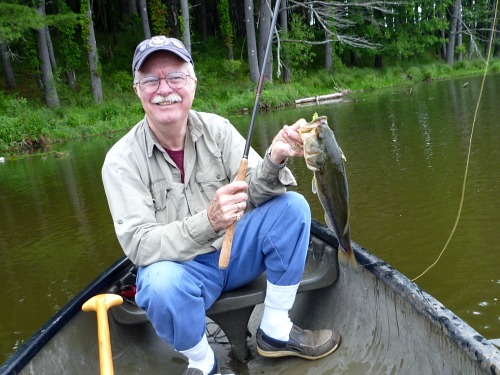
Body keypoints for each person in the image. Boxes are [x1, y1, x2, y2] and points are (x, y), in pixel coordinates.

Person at [102, 35, 341, 375]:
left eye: (175, 77)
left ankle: (274, 329)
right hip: (181, 275)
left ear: (193, 84)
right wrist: (209, 221)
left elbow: (255, 193)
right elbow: (140, 245)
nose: (164, 88)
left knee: (293, 208)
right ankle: (202, 362)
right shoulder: (121, 162)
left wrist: (274, 158)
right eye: (151, 80)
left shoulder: (218, 130)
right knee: (157, 285)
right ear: (137, 89)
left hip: (238, 257)